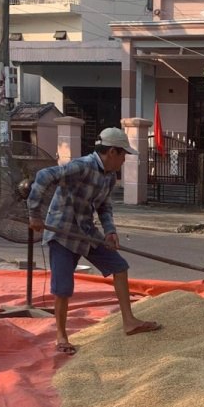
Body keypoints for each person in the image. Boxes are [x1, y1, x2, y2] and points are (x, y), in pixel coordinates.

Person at [27, 127, 162, 355]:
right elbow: (43, 176)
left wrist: (110, 231)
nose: (124, 160)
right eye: (123, 155)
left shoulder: (109, 177)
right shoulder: (82, 166)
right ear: (112, 152)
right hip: (63, 232)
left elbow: (103, 206)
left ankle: (129, 322)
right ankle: (61, 336)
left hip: (87, 233)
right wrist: (34, 214)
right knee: (63, 288)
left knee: (119, 267)